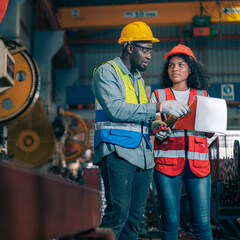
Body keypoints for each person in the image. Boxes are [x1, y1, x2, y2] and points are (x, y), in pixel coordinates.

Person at [91, 22, 191, 240]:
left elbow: (139, 116)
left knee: (134, 220)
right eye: (144, 50)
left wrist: (156, 126)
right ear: (129, 47)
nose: (149, 56)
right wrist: (160, 106)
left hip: (142, 155)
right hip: (117, 151)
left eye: (150, 51)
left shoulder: (137, 78)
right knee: (117, 214)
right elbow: (116, 109)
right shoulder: (107, 72)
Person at [149, 44, 214, 239]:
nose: (175, 69)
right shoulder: (158, 96)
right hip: (166, 165)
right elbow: (153, 122)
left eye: (181, 65)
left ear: (190, 69)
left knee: (202, 222)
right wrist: (156, 129)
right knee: (170, 222)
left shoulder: (202, 96)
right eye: (171, 65)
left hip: (198, 164)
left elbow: (209, 132)